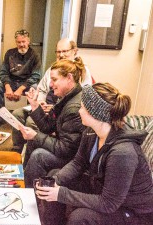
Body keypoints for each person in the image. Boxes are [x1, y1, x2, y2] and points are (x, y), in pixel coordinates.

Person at [34, 83, 153, 225]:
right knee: (54, 176)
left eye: (82, 107)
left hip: (133, 212)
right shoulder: (91, 132)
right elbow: (78, 163)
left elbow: (108, 203)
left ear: (95, 113)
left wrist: (62, 194)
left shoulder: (123, 153)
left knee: (80, 217)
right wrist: (55, 180)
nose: (79, 111)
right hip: (102, 188)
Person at [12, 38, 92, 152]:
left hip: (59, 112)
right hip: (48, 107)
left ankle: (33, 147)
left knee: (30, 122)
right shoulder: (53, 69)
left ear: (74, 51)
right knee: (17, 114)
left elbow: (84, 97)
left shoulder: (81, 72)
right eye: (58, 52)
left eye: (65, 51)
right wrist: (39, 103)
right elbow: (42, 89)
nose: (61, 55)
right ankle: (17, 150)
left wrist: (53, 107)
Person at [20, 57, 86, 188]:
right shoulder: (65, 98)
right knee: (34, 141)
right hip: (67, 149)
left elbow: (66, 150)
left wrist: (35, 135)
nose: (50, 84)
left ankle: (31, 197)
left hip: (75, 158)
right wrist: (34, 105)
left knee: (38, 156)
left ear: (69, 78)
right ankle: (24, 183)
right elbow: (47, 127)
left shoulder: (73, 108)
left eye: (54, 79)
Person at [0, 29, 41, 128]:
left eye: (24, 42)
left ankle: (27, 116)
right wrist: (8, 87)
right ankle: (1, 117)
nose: (21, 44)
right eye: (19, 42)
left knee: (35, 87)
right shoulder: (9, 53)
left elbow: (36, 76)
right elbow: (3, 73)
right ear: (16, 42)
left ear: (28, 41)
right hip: (11, 81)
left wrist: (21, 89)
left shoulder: (35, 55)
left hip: (26, 83)